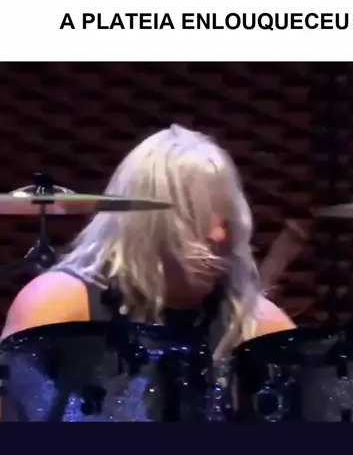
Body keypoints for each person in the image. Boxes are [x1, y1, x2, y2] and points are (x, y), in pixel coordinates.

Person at [1, 125, 295, 355]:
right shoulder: (58, 307)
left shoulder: (255, 326)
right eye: (197, 217)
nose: (218, 234)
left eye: (225, 218)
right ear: (146, 225)